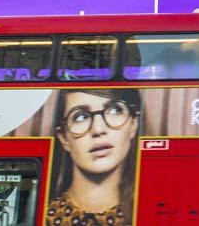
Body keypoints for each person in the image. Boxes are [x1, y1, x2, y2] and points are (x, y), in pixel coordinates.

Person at [46, 89, 140, 226]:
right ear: (64, 137)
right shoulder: (41, 218)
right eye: (81, 117)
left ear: (133, 124)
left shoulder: (153, 214)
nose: (98, 129)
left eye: (114, 110)